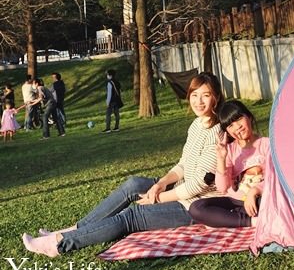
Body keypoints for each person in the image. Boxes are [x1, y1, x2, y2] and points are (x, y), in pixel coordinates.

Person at [22, 71, 225, 257]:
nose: (198, 101)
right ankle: (75, 229)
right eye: (194, 95)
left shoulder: (218, 133)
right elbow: (183, 165)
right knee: (134, 184)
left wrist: (159, 198)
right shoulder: (197, 124)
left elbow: (199, 184)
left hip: (197, 205)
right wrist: (160, 183)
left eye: (205, 95)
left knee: (131, 215)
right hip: (182, 189)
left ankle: (59, 244)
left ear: (216, 97)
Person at [189, 99, 269, 228]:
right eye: (230, 125)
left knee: (273, 203)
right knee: (196, 207)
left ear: (248, 116)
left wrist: (254, 191)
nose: (237, 127)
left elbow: (275, 179)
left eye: (239, 119)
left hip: (260, 199)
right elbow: (222, 188)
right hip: (234, 200)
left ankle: (231, 219)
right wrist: (221, 159)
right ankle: (251, 222)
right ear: (227, 131)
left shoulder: (267, 145)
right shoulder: (230, 150)